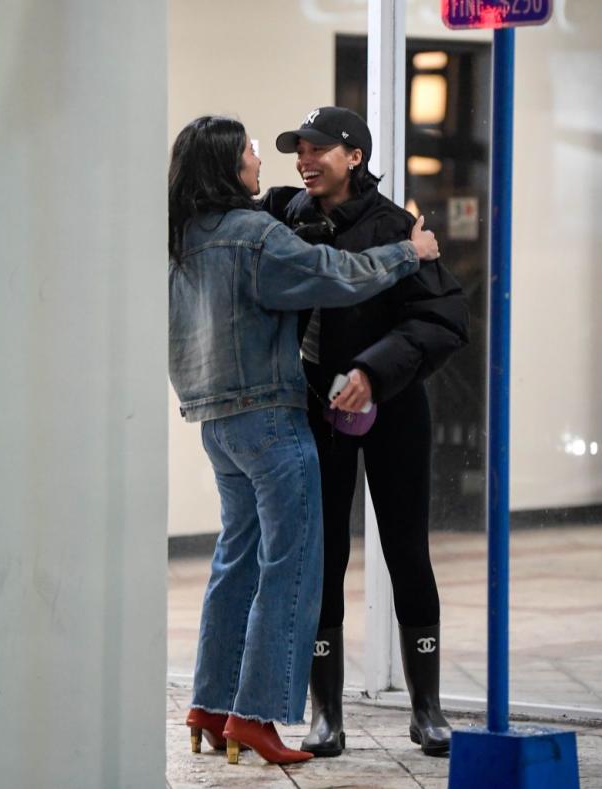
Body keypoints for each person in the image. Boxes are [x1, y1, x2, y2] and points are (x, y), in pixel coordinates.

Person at [168, 115, 441, 765]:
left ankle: (210, 702)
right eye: (252, 153)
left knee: (235, 563)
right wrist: (412, 250)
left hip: (216, 421)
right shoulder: (254, 234)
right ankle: (256, 715)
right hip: (269, 416)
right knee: (292, 568)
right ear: (229, 168)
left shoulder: (186, 235)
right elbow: (332, 274)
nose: (267, 161)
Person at [261, 106, 469, 757]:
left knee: (407, 549)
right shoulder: (284, 216)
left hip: (394, 406)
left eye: (318, 148)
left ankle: (427, 708)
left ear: (354, 155)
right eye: (299, 149)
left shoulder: (397, 229)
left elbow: (441, 319)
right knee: (321, 555)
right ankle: (327, 712)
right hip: (314, 411)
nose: (304, 159)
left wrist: (373, 373)